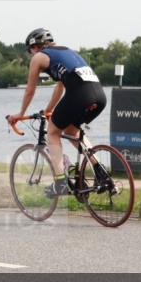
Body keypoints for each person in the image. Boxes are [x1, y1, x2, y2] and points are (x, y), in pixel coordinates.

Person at [6, 28, 106, 197]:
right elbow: (60, 87)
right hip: (99, 96)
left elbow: (30, 90)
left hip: (80, 94)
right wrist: (48, 111)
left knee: (52, 133)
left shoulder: (39, 57)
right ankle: (101, 173)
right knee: (72, 131)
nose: (31, 55)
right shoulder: (67, 51)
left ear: (35, 47)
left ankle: (60, 182)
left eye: (29, 51)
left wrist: (20, 113)